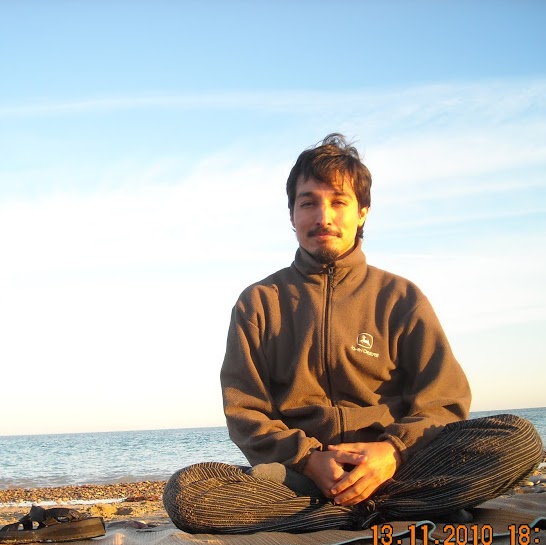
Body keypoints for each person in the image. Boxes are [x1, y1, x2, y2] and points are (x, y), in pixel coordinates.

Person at [163, 134, 543, 534]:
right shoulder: (259, 303)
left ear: (362, 212)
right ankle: (369, 511)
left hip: (398, 469)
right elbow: (246, 412)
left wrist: (392, 451)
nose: (323, 216)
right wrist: (309, 459)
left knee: (519, 439)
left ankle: (361, 508)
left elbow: (443, 400)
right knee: (186, 492)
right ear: (292, 215)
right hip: (302, 481)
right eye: (308, 203)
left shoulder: (400, 297)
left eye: (338, 202)